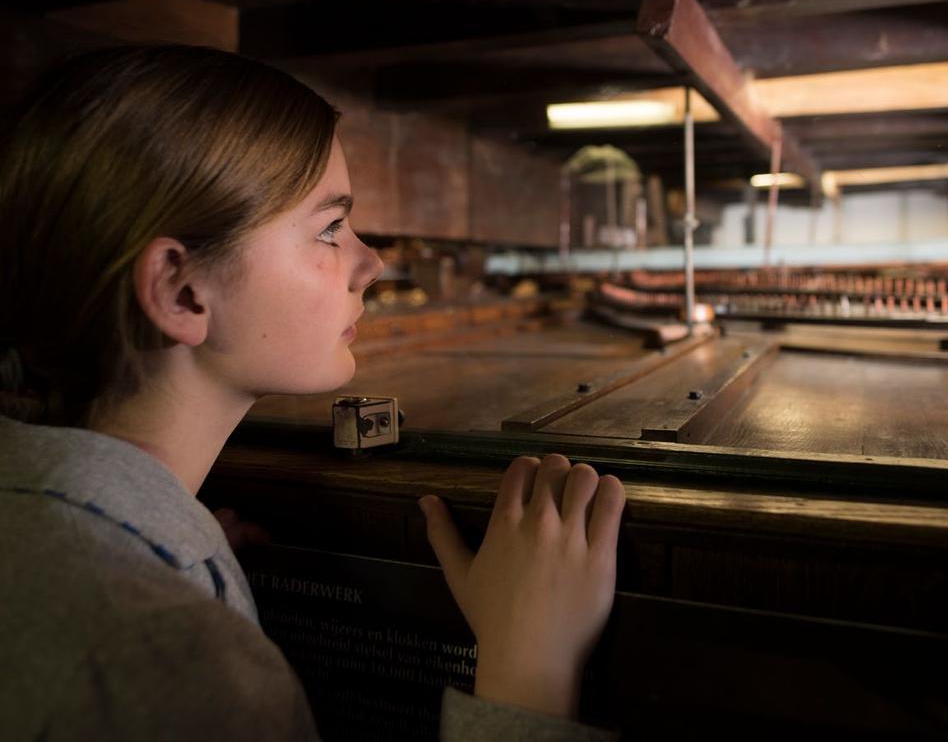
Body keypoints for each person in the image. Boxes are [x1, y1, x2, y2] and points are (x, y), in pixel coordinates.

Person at [0, 44, 625, 741]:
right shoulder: (177, 662)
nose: (373, 262)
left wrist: (179, 550)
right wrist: (528, 677)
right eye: (329, 229)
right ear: (181, 291)